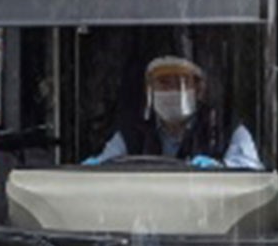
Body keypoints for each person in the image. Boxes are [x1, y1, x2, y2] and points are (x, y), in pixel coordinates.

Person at [86, 55, 261, 170]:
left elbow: (253, 184)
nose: (172, 90)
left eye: (181, 83)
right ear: (150, 91)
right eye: (164, 83)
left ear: (199, 90)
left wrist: (221, 170)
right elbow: (102, 170)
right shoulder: (131, 134)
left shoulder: (227, 131)